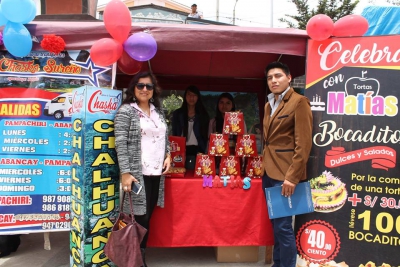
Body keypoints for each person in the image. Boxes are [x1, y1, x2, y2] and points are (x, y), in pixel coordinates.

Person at [114, 71, 171, 267]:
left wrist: (168, 155)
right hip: (138, 174)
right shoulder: (126, 111)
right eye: (140, 86)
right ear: (133, 89)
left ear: (154, 90)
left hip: (156, 173)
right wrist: (126, 172)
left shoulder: (158, 111)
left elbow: (165, 137)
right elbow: (120, 144)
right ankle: (134, 260)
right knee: (139, 217)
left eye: (148, 86)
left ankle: (139, 258)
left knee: (147, 218)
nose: (145, 89)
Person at [262, 62, 312, 267]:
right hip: (268, 172)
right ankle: (278, 263)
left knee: (283, 226)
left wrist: (292, 177)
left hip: (285, 174)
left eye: (278, 76)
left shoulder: (299, 102)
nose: (273, 80)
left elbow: (304, 144)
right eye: (269, 77)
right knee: (275, 224)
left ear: (289, 78)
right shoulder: (268, 104)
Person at [172, 85, 209, 169]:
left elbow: (206, 135)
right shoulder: (178, 114)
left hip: (198, 151)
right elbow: (174, 133)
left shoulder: (203, 115)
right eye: (189, 94)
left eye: (194, 95)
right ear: (185, 96)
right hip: (181, 151)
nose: (191, 98)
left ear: (198, 97)